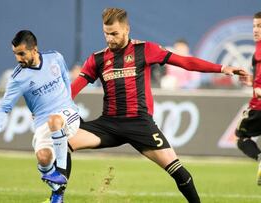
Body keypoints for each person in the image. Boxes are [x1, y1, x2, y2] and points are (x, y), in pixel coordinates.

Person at [68, 8, 248, 203]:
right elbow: (72, 90)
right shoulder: (98, 59)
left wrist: (221, 68)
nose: (110, 39)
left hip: (140, 124)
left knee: (179, 173)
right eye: (106, 34)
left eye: (114, 34)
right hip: (108, 124)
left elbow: (185, 62)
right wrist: (54, 109)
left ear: (127, 29)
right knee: (62, 145)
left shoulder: (144, 49)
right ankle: (56, 198)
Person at [0, 30, 80, 203]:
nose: (18, 58)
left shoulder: (55, 58)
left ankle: (60, 177)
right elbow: (4, 107)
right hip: (43, 123)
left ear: (34, 49)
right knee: (44, 158)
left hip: (67, 113)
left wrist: (69, 103)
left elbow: (65, 80)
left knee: (55, 120)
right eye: (15, 54)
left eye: (21, 53)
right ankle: (55, 189)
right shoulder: (18, 78)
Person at [235, 11, 261, 186]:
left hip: (258, 107)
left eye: (259, 26)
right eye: (254, 26)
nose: (255, 29)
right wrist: (253, 82)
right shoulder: (257, 50)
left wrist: (258, 88)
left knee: (241, 136)